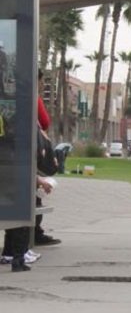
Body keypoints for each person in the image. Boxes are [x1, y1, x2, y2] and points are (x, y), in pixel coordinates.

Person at [34, 69, 60, 246]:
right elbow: (43, 121)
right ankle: (32, 234)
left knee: (35, 193)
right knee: (33, 193)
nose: (43, 85)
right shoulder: (31, 97)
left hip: (33, 148)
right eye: (41, 81)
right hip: (30, 150)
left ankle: (35, 231)